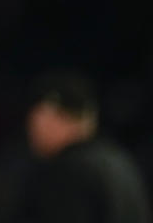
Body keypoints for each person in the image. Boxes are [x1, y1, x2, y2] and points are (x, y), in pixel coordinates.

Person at [20, 71, 151, 223]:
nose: (31, 131)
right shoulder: (117, 159)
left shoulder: (69, 170)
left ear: (53, 117)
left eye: (36, 119)